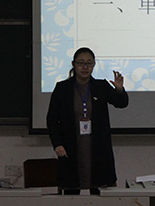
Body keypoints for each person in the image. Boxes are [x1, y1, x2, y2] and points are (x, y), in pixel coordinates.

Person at [47, 47, 129, 194]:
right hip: (71, 145)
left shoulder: (101, 86)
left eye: (89, 63)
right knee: (71, 191)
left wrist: (119, 90)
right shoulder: (62, 88)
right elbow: (52, 119)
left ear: (94, 65)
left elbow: (121, 103)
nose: (85, 67)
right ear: (73, 64)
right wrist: (57, 143)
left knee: (99, 192)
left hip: (97, 146)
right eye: (81, 63)